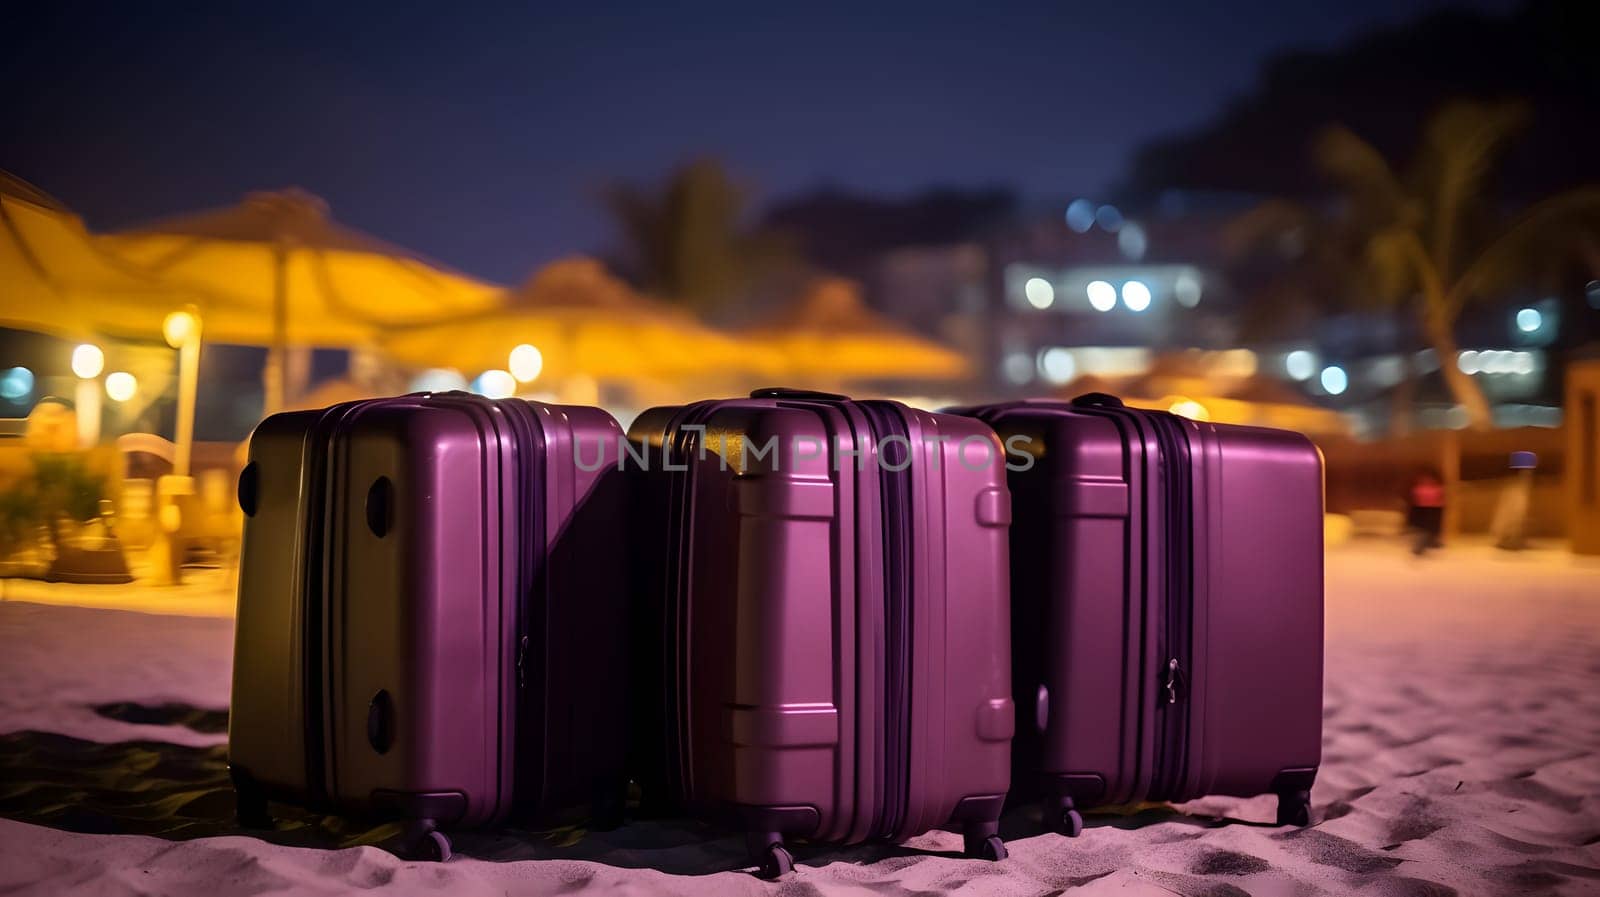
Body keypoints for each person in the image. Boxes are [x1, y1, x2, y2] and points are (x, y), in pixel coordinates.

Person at [1407, 468, 1446, 556]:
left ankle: (1431, 543)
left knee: (1431, 530)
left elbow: (1440, 499)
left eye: (1429, 479)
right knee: (1426, 531)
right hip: (1423, 510)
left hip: (1433, 510)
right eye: (1424, 479)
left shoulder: (1437, 488)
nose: (1427, 481)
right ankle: (1419, 548)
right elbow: (1417, 499)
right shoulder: (1419, 489)